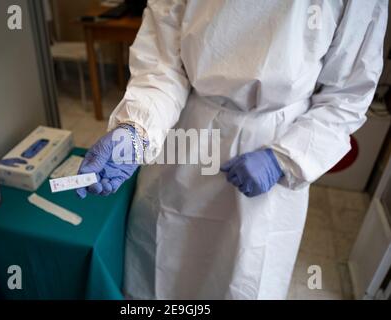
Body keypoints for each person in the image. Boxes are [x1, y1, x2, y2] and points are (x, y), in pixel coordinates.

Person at [77, 0, 388, 299]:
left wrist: (285, 158)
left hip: (273, 139)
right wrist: (136, 129)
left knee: (244, 274)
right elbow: (163, 65)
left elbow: (347, 95)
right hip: (188, 132)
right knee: (164, 266)